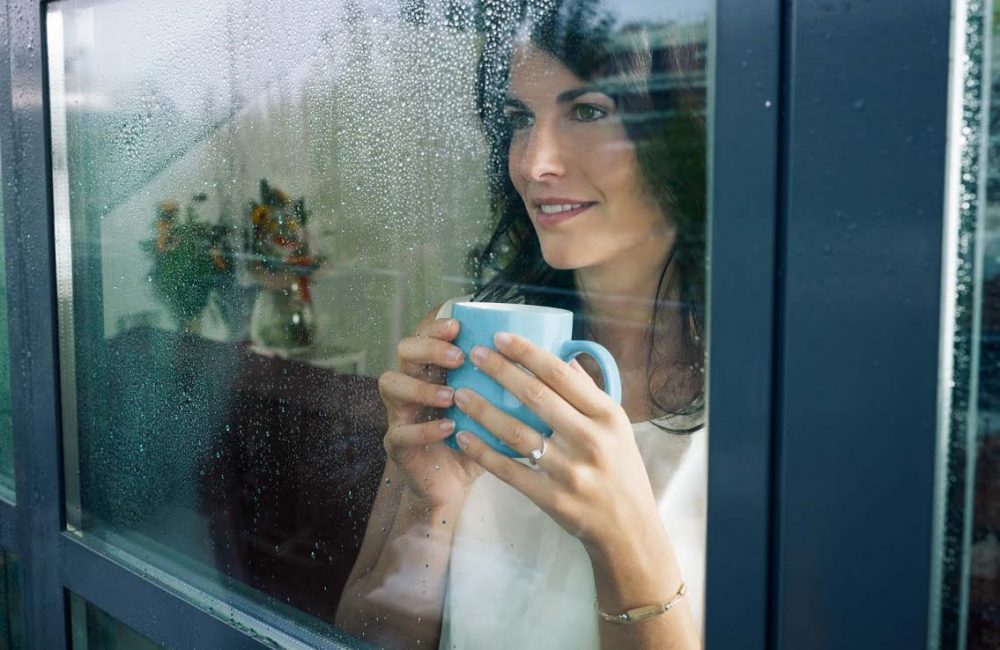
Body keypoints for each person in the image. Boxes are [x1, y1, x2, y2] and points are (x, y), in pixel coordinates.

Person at [336, 1, 706, 647]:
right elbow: (372, 636)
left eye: (588, 111)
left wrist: (621, 539)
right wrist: (430, 506)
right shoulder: (456, 341)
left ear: (682, 137)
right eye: (518, 120)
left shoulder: (771, 400)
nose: (534, 163)